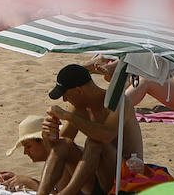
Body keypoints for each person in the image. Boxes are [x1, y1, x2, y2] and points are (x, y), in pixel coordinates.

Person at [35, 64, 143, 195]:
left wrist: (68, 116)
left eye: (65, 95)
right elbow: (57, 148)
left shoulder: (118, 102)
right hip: (93, 180)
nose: (64, 99)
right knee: (63, 144)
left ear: (79, 91)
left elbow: (106, 136)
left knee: (95, 143)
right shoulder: (78, 107)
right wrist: (48, 136)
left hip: (124, 177)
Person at [0, 115, 79, 193]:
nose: (25, 152)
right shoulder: (56, 156)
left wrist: (29, 182)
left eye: (28, 146)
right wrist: (18, 179)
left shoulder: (62, 157)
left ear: (43, 141)